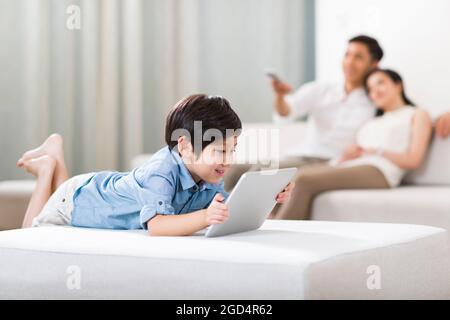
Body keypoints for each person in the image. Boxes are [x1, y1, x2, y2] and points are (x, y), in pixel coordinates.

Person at [17, 94, 293, 236]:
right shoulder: (161, 171)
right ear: (184, 146)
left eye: (233, 150)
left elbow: (232, 211)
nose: (229, 160)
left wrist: (271, 199)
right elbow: (158, 227)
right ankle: (45, 170)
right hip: (75, 200)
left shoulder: (207, 177)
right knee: (30, 233)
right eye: (220, 150)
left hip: (92, 189)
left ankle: (54, 155)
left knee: (65, 188)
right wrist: (205, 217)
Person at [224, 35, 384, 191]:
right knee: (233, 170)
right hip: (302, 156)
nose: (349, 62)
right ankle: (211, 214)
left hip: (333, 162)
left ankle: (235, 215)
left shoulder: (376, 102)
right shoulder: (321, 90)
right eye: (347, 55)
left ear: (374, 64)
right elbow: (286, 113)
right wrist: (280, 96)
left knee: (259, 174)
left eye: (358, 57)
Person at [271, 69, 432, 220]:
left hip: (381, 171)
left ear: (398, 85)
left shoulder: (417, 114)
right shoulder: (373, 121)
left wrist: (377, 151)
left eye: (380, 83)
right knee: (292, 176)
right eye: (370, 88)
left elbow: (413, 160)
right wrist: (343, 158)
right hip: (357, 164)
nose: (374, 91)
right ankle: (267, 225)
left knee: (304, 179)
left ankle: (279, 236)